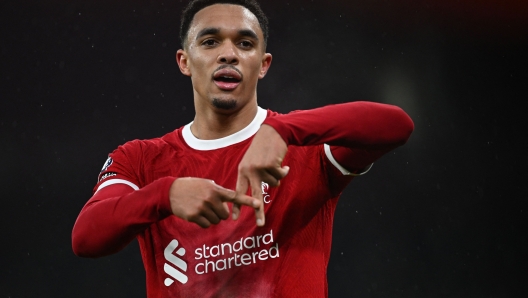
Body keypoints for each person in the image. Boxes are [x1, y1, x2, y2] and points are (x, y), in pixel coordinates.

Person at [72, 0, 414, 297]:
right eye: (209, 41)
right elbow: (86, 238)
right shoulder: (141, 159)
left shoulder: (301, 147)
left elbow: (396, 125)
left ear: (263, 64)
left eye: (245, 43)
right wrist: (166, 195)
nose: (229, 54)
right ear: (184, 61)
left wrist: (281, 129)